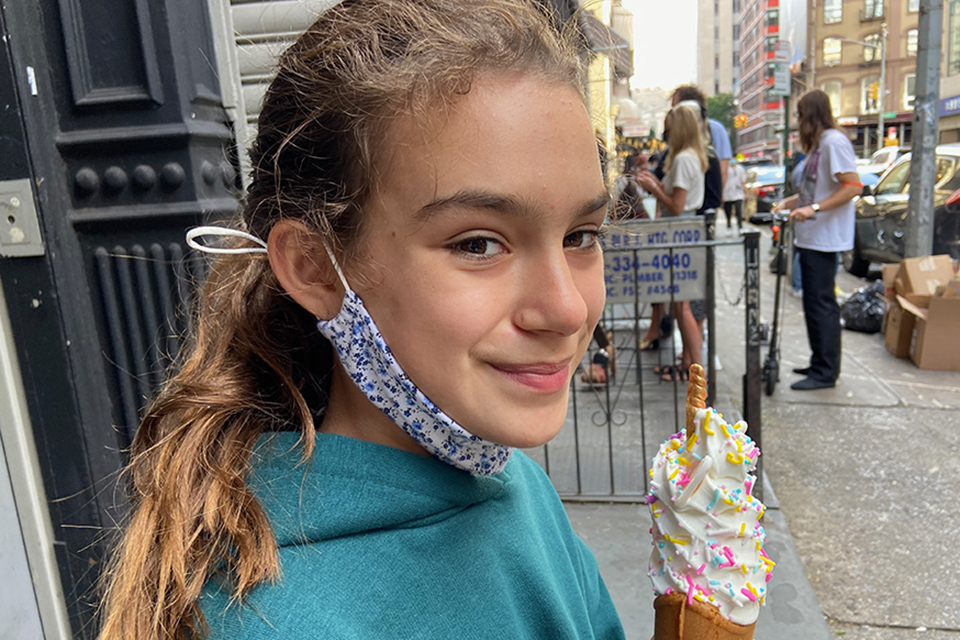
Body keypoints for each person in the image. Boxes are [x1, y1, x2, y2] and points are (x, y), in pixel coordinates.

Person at [95, 2, 626, 639]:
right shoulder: (263, 617)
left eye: (582, 235)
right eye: (478, 244)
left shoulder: (517, 487)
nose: (567, 309)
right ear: (317, 268)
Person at [772, 90, 861, 391]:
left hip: (824, 237)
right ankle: (819, 362)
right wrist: (791, 202)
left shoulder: (834, 142)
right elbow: (817, 191)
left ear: (809, 115)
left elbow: (852, 186)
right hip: (811, 235)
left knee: (821, 304)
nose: (797, 121)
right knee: (814, 302)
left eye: (799, 114)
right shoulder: (819, 146)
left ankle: (825, 371)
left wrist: (814, 208)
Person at [637, 104, 707, 381]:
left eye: (668, 126)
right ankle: (690, 363)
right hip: (685, 232)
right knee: (682, 304)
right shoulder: (691, 157)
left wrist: (654, 188)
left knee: (682, 305)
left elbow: (676, 206)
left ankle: (696, 371)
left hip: (680, 232)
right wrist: (654, 180)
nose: (664, 132)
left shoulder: (682, 160)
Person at [722, 159, 747, 235]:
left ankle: (740, 227)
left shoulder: (740, 169)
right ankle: (729, 226)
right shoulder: (725, 169)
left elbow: (743, 181)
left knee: (738, 211)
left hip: (738, 192)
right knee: (728, 212)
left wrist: (746, 192)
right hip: (727, 193)